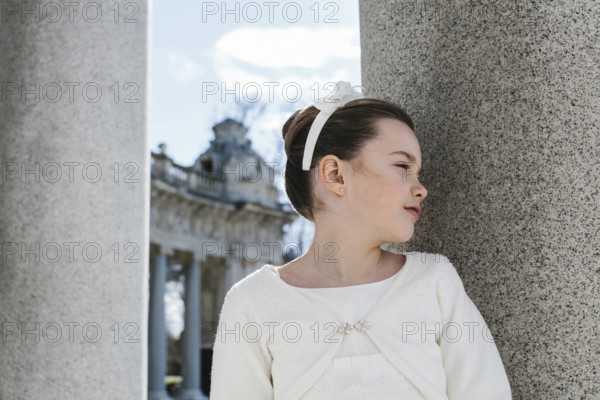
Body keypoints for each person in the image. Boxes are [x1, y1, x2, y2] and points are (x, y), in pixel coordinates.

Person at [209, 81, 512, 399]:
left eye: (418, 172)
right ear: (335, 175)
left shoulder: (435, 281)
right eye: (402, 166)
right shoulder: (253, 302)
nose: (421, 188)